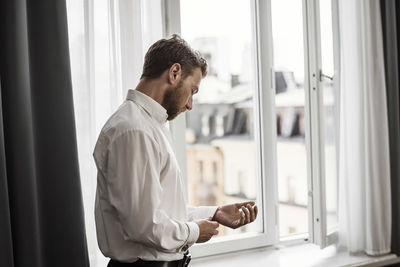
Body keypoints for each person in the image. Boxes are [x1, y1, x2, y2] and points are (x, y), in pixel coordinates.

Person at [93, 34, 258, 267]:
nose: (190, 104)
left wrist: (215, 212)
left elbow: (162, 211)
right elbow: (143, 225)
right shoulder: (134, 130)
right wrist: (193, 232)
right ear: (174, 73)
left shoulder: (150, 125)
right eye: (192, 90)